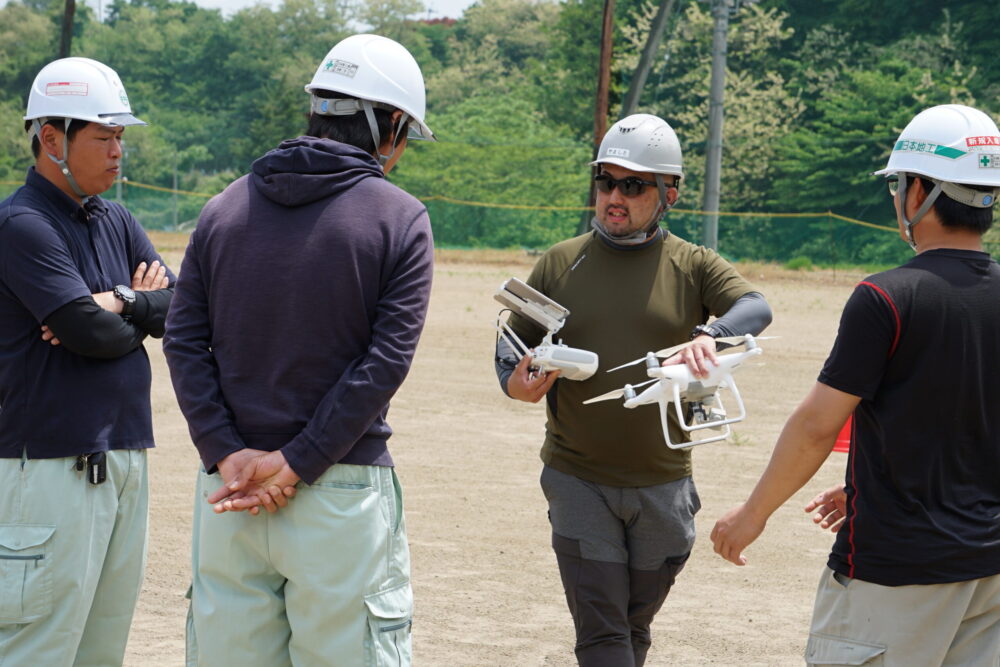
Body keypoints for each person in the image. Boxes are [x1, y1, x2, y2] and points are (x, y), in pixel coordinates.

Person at [163, 33, 434, 666]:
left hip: (229, 495)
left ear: (316, 107)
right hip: (339, 493)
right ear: (389, 125)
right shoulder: (399, 217)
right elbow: (384, 362)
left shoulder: (223, 208)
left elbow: (181, 339)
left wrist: (225, 450)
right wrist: (298, 461)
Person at [711, 104, 1000, 666]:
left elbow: (818, 426)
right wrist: (876, 485)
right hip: (988, 574)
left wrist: (752, 515)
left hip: (893, 574)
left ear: (920, 192)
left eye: (899, 185)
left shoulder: (886, 296)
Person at [495, 113, 772, 666]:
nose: (614, 197)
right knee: (602, 631)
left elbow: (756, 307)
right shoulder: (560, 261)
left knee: (631, 626)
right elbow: (512, 340)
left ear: (670, 192)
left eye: (633, 185)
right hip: (578, 479)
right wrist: (515, 383)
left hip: (663, 486)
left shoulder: (692, 264)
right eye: (606, 182)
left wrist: (709, 337)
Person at [0, 57, 174, 665]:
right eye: (103, 137)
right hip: (48, 467)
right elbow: (85, 332)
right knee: (37, 648)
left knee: (102, 649)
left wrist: (121, 300)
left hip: (123, 456)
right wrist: (135, 310)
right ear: (52, 138)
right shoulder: (22, 224)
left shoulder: (115, 218)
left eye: (120, 136)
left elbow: (180, 308)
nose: (118, 151)